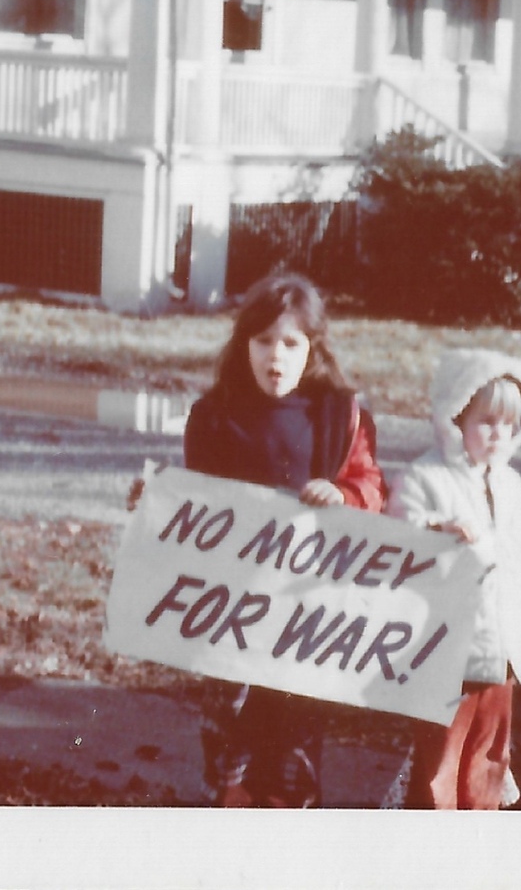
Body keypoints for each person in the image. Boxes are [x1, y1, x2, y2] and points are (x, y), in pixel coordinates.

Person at [181, 272, 386, 807]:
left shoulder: (338, 415)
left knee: (294, 733)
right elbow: (192, 504)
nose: (276, 356)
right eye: (263, 341)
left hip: (304, 611)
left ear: (312, 349)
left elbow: (372, 486)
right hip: (231, 610)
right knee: (231, 732)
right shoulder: (216, 414)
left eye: (291, 343)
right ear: (243, 343)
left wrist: (343, 494)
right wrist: (158, 502)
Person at [386, 348, 521, 809]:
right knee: (440, 759)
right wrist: (433, 535)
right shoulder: (424, 479)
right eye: (486, 420)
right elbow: (395, 546)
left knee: (490, 757)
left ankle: (479, 835)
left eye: (509, 423)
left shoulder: (512, 488)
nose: (498, 433)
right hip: (444, 652)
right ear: (454, 416)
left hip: (501, 652)